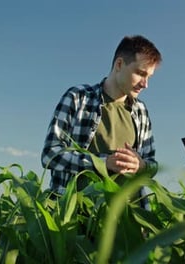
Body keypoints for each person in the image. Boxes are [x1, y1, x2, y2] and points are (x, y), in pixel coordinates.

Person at [41, 35, 162, 198]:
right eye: (140, 73)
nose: (145, 84)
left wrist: (141, 165)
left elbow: (152, 164)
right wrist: (102, 163)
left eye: (149, 77)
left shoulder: (141, 112)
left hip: (124, 216)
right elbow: (50, 154)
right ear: (119, 64)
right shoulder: (77, 98)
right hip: (75, 214)